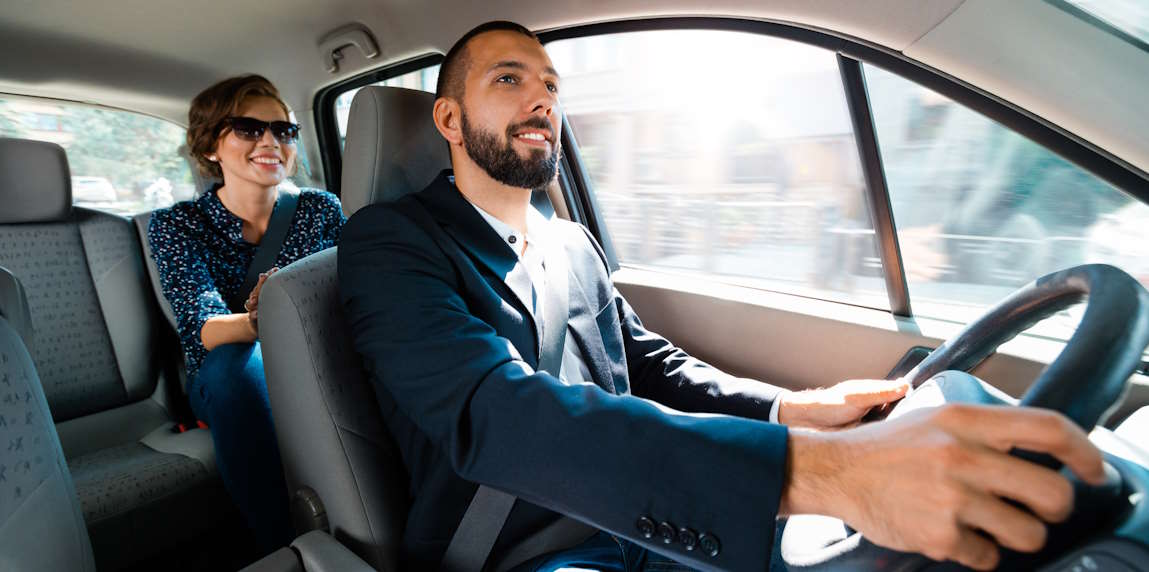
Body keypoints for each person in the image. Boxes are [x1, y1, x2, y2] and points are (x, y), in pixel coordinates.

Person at [337, 22, 1104, 571]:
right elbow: (498, 416)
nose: (541, 100)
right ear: (447, 117)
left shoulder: (569, 242)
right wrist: (830, 471)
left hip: (657, 520)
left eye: (550, 85)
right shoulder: (389, 244)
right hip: (530, 547)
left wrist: (792, 410)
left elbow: (650, 366)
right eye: (509, 79)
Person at [149, 74, 345, 552]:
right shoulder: (178, 225)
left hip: (319, 358)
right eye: (248, 129)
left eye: (283, 131)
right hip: (226, 374)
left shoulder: (320, 209)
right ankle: (286, 548)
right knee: (235, 369)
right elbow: (203, 329)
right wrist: (262, 321)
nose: (271, 142)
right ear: (211, 146)